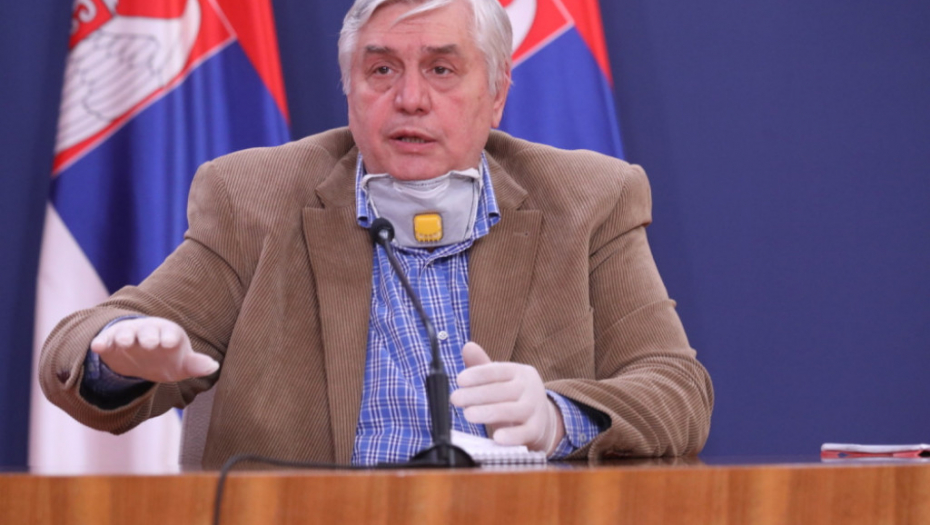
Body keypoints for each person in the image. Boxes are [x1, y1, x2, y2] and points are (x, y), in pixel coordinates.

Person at [40, 0, 713, 468]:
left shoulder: (587, 200)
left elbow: (677, 389)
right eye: (382, 69)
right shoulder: (257, 199)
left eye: (442, 69)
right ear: (350, 88)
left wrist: (560, 416)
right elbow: (76, 348)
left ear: (497, 94)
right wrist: (115, 356)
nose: (410, 98)